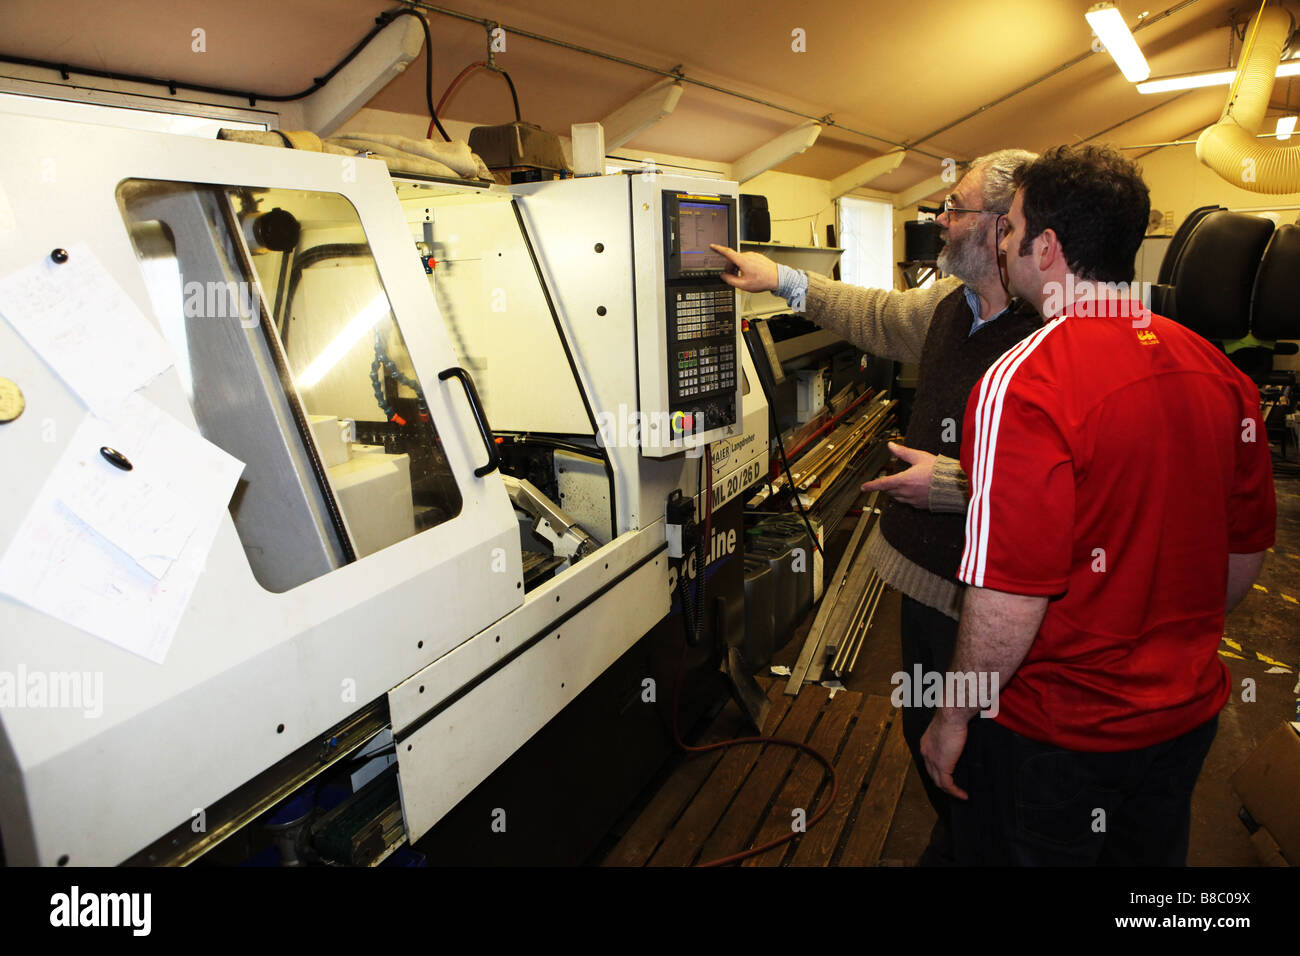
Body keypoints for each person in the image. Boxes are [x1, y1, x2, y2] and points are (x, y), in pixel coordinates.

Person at [920, 144, 1276, 865]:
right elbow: (1240, 559)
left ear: (1047, 248)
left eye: (1012, 230)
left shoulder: (1024, 379)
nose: (1006, 243)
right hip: (1182, 722)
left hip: (1059, 737)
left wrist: (952, 715)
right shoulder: (1219, 372)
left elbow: (1008, 595)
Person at [711, 149, 1038, 864]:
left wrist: (954, 487)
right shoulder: (954, 308)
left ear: (1002, 229)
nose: (941, 222)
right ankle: (956, 835)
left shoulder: (1047, 335)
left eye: (955, 209)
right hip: (921, 584)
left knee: (986, 745)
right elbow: (876, 314)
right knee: (928, 729)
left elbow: (1064, 491)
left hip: (988, 604)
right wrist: (783, 280)